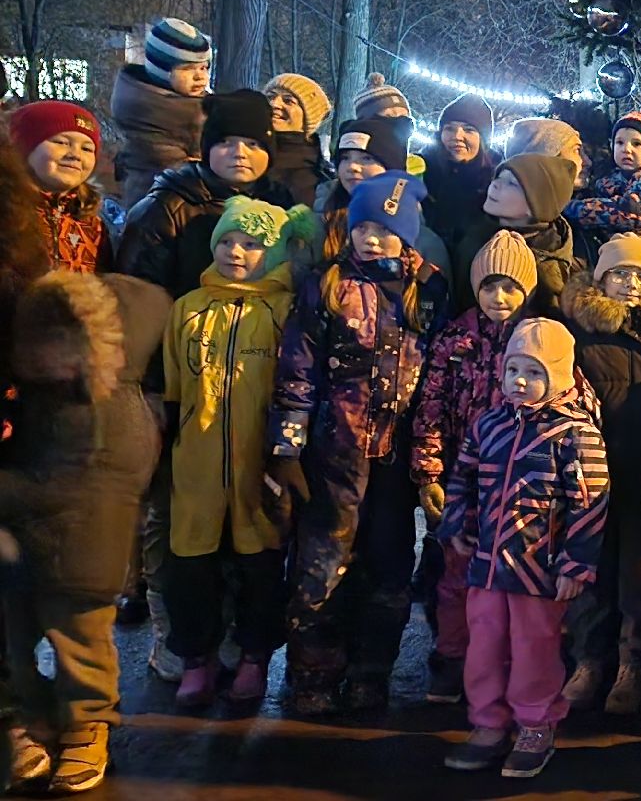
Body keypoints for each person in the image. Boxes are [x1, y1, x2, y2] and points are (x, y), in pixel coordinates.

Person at [272, 172, 448, 715]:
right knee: (323, 563)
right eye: (363, 226)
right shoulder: (327, 285)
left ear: (408, 234)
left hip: (397, 457)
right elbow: (297, 367)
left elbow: (441, 369)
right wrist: (288, 443)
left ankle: (372, 671)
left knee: (389, 565)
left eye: (385, 229)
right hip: (335, 451)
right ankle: (314, 674)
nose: (372, 238)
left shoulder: (429, 287)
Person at [1, 272, 170, 794]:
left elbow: (119, 475)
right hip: (23, 529)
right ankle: (25, 717)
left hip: (82, 538)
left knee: (81, 632)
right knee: (14, 626)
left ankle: (86, 723)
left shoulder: (112, 407)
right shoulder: (26, 394)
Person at [162, 197, 315, 709]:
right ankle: (197, 660)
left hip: (258, 464)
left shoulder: (284, 309)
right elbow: (173, 390)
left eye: (251, 244)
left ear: (271, 252)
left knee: (260, 568)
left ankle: (253, 660)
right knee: (191, 568)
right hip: (196, 466)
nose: (235, 252)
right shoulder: (188, 307)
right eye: (226, 241)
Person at [439, 319, 608, 779]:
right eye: (513, 369)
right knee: (484, 644)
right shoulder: (488, 423)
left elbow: (591, 502)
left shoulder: (576, 433)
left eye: (534, 373)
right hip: (486, 564)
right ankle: (488, 722)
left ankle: (536, 723)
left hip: (539, 568)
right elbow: (462, 477)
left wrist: (576, 564)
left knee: (535, 648)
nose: (520, 381)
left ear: (559, 375)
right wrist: (457, 522)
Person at [556, 234, 641, 711]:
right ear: (601, 279)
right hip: (590, 478)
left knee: (640, 575)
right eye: (619, 274)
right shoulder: (578, 334)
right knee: (591, 570)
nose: (630, 284)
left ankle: (633, 665)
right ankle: (588, 660)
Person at [412, 230, 538, 704]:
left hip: (520, 483)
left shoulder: (539, 338)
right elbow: (429, 408)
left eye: (510, 288)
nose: (499, 297)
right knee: (456, 574)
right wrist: (428, 472)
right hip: (462, 481)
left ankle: (502, 664)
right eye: (489, 286)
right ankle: (451, 657)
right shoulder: (455, 338)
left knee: (512, 580)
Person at [118, 90, 292, 300]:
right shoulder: (168, 205)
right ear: (207, 148)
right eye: (225, 142)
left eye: (252, 144)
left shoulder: (281, 203)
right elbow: (136, 293)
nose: (239, 153)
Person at [455, 153, 583, 316]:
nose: (495, 185)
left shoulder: (546, 269)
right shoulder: (474, 233)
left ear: (536, 203)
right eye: (498, 177)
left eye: (511, 183)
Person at [320, 117, 451, 273]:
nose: (352, 167)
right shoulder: (319, 225)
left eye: (366, 158)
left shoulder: (425, 243)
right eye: (345, 158)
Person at [109, 17, 210, 205]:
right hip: (159, 204)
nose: (200, 76)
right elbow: (175, 165)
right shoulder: (154, 110)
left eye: (204, 67)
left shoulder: (187, 102)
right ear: (161, 70)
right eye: (187, 68)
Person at [564, 111, 641, 258]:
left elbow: (630, 212)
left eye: (637, 144)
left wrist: (574, 208)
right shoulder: (607, 179)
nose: (626, 149)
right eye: (620, 142)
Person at [11, 101, 111, 273]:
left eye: (87, 149)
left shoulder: (93, 224)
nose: (75, 155)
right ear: (23, 148)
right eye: (61, 142)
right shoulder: (8, 214)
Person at [421, 95, 497, 246]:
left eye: (469, 130)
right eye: (449, 128)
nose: (457, 136)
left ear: (483, 139)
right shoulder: (420, 172)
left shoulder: (497, 183)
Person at [262, 73, 334, 206]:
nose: (274, 104)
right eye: (270, 97)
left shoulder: (319, 178)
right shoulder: (244, 152)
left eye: (288, 101)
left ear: (308, 117)